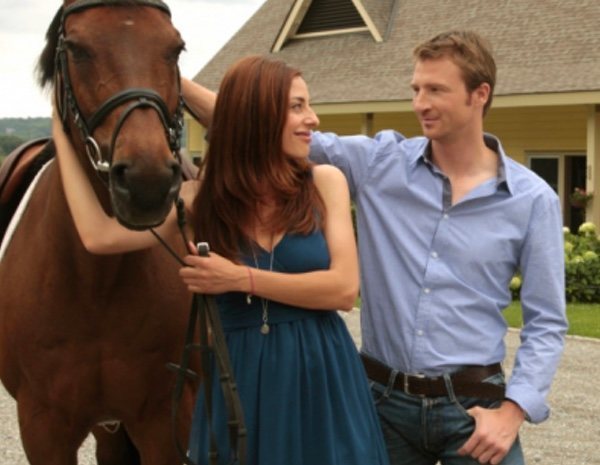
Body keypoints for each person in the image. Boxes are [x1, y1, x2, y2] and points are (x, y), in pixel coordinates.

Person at [53, 55, 390, 465]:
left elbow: (342, 290)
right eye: (297, 106)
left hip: (321, 371)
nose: (313, 119)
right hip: (241, 374)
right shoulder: (202, 198)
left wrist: (238, 278)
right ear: (256, 115)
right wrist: (60, 134)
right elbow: (99, 235)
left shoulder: (325, 182)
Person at [305, 30, 568, 465]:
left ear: (479, 94)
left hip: (474, 409)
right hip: (380, 405)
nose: (420, 103)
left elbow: (547, 322)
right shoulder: (379, 163)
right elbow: (274, 132)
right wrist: (181, 90)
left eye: (436, 90)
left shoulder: (533, 200)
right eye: (416, 89)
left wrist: (512, 412)